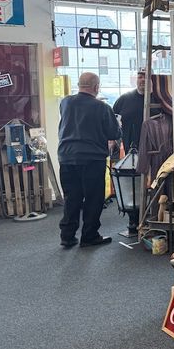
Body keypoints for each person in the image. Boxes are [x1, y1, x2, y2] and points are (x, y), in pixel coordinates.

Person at [58, 72, 121, 248]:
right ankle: (89, 235)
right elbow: (113, 133)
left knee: (72, 197)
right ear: (96, 87)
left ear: (79, 85)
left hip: (67, 156)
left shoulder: (65, 102)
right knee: (94, 199)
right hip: (92, 158)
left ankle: (67, 236)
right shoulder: (102, 108)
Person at [112, 70, 151, 236]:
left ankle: (152, 217)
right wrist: (113, 139)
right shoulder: (124, 99)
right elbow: (113, 120)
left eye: (146, 76)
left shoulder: (159, 99)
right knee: (133, 186)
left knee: (153, 185)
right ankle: (133, 221)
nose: (142, 80)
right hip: (131, 151)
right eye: (140, 77)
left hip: (154, 150)